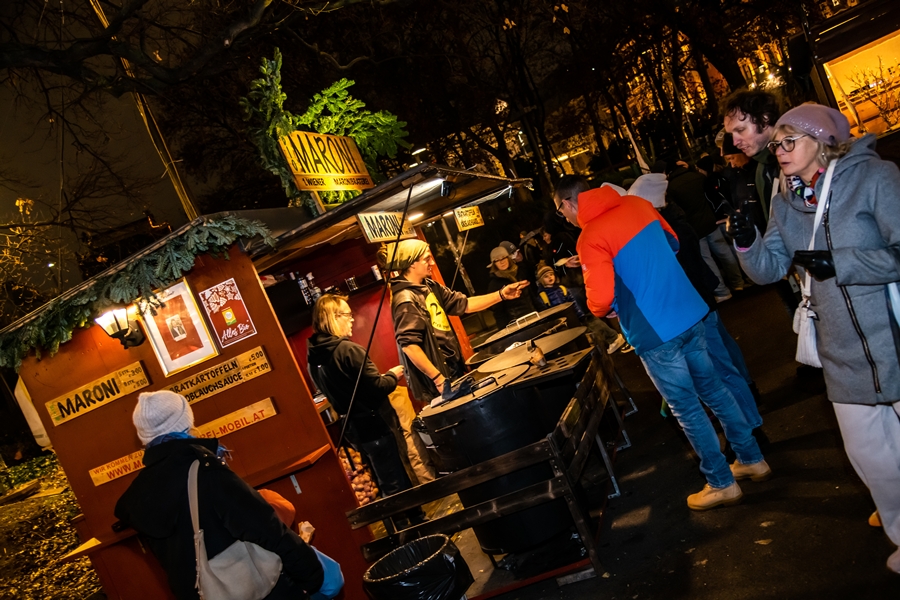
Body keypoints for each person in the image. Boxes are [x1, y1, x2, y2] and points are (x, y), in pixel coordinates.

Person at [727, 103, 900, 573]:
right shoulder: (785, 201)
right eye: (777, 144)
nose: (779, 151)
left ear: (822, 141)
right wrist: (745, 242)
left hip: (893, 337)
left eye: (790, 141)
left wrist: (842, 263)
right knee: (873, 461)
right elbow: (768, 269)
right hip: (842, 353)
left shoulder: (874, 178)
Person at [554, 175, 768, 511]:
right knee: (715, 390)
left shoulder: (590, 236)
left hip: (655, 332)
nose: (564, 217)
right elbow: (673, 244)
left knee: (688, 409)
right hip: (690, 311)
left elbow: (599, 301)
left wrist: (615, 301)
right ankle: (753, 459)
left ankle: (721, 482)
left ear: (568, 203)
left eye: (560, 210)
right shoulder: (637, 205)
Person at [115, 391, 326, 600]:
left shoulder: (137, 496)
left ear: (144, 436)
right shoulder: (204, 470)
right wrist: (312, 576)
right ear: (185, 421)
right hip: (260, 592)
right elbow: (265, 528)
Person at [629, 173, 763, 439]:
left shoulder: (668, 232)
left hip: (696, 310)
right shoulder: (672, 226)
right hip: (700, 306)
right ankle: (749, 422)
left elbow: (682, 275)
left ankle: (751, 430)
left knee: (722, 371)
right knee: (723, 365)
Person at [306, 294, 427, 525]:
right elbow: (377, 388)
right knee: (393, 481)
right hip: (375, 424)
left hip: (354, 429)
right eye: (347, 315)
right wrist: (392, 375)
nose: (352, 319)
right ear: (333, 318)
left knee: (387, 477)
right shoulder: (349, 350)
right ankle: (408, 531)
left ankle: (418, 519)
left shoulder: (313, 356)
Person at [378, 239, 528, 403]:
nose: (432, 263)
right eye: (427, 259)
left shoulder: (429, 286)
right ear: (412, 263)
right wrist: (439, 380)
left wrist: (501, 295)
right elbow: (409, 346)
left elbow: (465, 304)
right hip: (440, 383)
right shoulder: (405, 299)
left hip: (453, 370)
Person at [665, 158, 745, 300]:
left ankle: (722, 291)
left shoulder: (671, 188)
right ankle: (738, 283)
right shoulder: (698, 177)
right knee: (725, 253)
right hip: (710, 221)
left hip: (695, 227)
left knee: (708, 260)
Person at [534, 263, 630, 354]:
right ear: (541, 280)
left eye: (551, 274)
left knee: (591, 326)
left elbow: (572, 301)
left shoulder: (562, 288)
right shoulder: (542, 296)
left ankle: (612, 339)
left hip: (573, 315)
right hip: (561, 322)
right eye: (546, 276)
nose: (550, 277)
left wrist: (579, 313)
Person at [486, 245, 538, 327]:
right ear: (494, 264)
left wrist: (544, 312)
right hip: (516, 325)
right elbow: (498, 312)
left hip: (534, 316)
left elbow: (532, 296)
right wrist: (505, 331)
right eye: (497, 260)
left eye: (503, 258)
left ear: (508, 258)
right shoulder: (494, 284)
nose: (501, 262)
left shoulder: (520, 273)